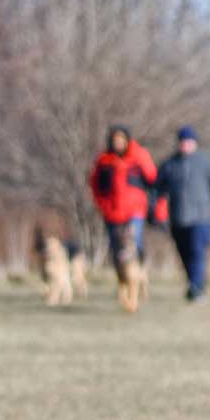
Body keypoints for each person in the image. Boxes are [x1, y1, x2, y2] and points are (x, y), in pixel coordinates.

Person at [156, 125, 210, 302]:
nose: (185, 145)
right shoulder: (169, 164)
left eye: (188, 142)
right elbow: (157, 190)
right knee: (184, 253)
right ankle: (194, 284)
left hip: (202, 216)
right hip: (178, 217)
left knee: (197, 251)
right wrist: (155, 211)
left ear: (194, 143)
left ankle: (196, 287)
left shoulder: (207, 161)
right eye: (182, 142)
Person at [89, 125, 158, 311]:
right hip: (112, 213)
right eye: (115, 139)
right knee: (117, 253)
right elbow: (95, 185)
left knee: (133, 248)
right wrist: (102, 204)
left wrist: (155, 206)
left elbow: (153, 180)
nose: (118, 143)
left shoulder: (139, 156)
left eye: (121, 139)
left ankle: (137, 285)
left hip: (135, 212)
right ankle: (123, 286)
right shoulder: (104, 160)